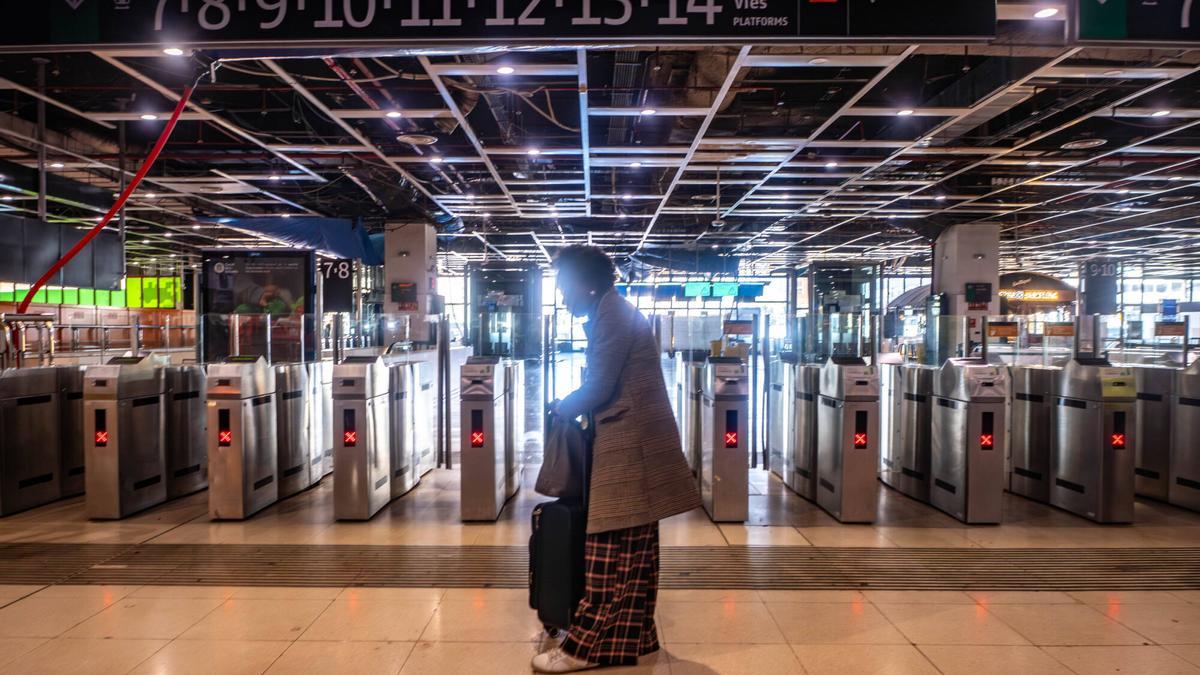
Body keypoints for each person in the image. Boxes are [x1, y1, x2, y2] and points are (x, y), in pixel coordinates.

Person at [533, 245, 701, 673]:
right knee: (636, 548)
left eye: (564, 286)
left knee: (609, 544)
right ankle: (636, 637)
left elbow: (600, 385)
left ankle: (585, 650)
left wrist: (562, 406)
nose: (563, 296)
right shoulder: (614, 310)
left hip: (632, 444)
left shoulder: (612, 315)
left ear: (584, 284)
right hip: (636, 438)